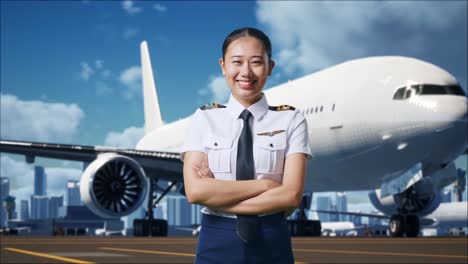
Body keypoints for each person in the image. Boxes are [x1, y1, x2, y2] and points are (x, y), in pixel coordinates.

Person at [180, 27, 311, 264]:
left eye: (256, 62)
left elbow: (291, 195)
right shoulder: (204, 118)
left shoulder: (292, 119)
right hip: (215, 242)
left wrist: (219, 194)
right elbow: (196, 192)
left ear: (270, 67)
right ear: (223, 66)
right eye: (237, 62)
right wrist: (266, 185)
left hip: (272, 242)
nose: (246, 72)